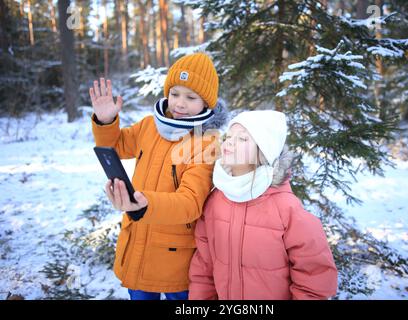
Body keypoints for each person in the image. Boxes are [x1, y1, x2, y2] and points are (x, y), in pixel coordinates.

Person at [89, 52, 228, 300]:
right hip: (138, 240)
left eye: (191, 97)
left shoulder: (206, 142)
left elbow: (191, 202)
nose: (180, 104)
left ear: (207, 103)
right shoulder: (149, 126)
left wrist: (145, 203)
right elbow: (117, 147)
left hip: (176, 255)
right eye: (174, 94)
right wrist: (106, 120)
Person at [188, 110, 338, 300]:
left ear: (263, 151)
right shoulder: (215, 200)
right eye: (229, 136)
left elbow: (313, 278)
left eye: (243, 139)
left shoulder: (286, 209)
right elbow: (204, 267)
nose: (230, 142)